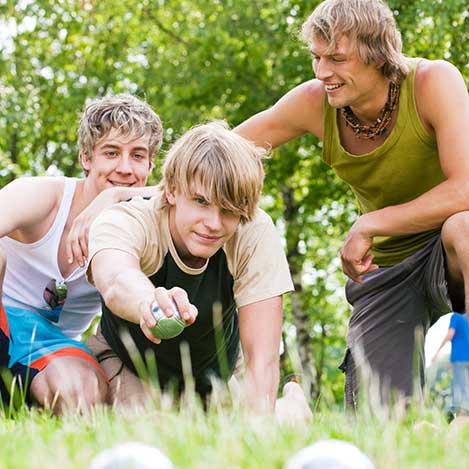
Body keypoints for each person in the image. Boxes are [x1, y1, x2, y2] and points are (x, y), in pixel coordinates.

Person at [235, 0, 469, 408]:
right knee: (378, 419)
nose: (323, 71)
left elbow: (465, 187)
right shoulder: (314, 103)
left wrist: (369, 224)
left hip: (450, 251)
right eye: (317, 58)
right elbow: (220, 151)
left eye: (337, 58)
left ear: (378, 54)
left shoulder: (433, 81)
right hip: (386, 269)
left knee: (463, 227)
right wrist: (130, 196)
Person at [86, 121, 294, 413]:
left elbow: (262, 358)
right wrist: (149, 302)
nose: (214, 224)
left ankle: (294, 405)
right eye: (201, 201)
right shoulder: (127, 219)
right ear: (171, 190)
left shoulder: (254, 231)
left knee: (264, 426)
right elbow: (115, 278)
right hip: (131, 366)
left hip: (216, 376)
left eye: (229, 209)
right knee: (149, 437)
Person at [0, 94, 163, 413]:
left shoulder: (147, 225)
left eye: (138, 156)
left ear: (151, 165)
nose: (125, 168)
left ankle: (19, 401)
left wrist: (116, 196)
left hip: (48, 344)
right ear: (87, 157)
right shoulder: (41, 196)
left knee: (82, 393)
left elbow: (193, 191)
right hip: (1, 318)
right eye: (112, 153)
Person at [433, 313, 469, 416]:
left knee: (459, 389)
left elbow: (450, 335)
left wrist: (437, 352)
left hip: (459, 358)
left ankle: (462, 417)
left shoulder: (456, 316)